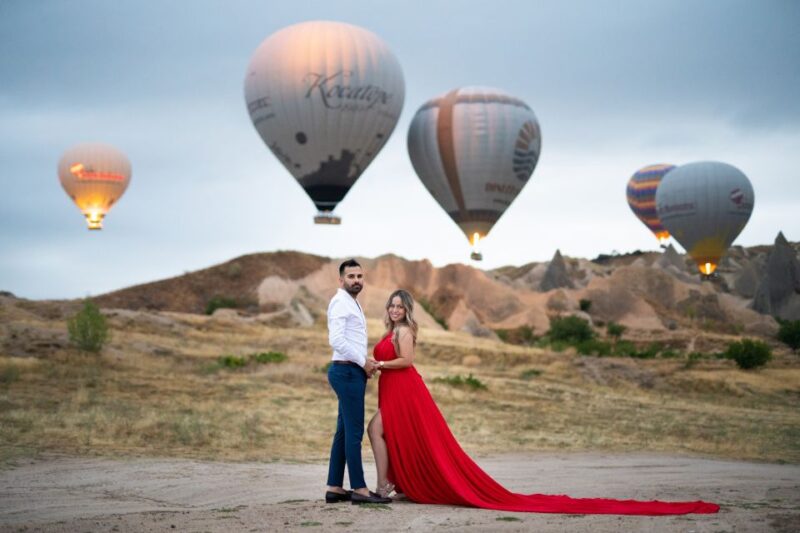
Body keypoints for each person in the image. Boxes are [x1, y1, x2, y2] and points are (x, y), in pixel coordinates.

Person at [366, 289, 720, 515]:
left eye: (400, 305)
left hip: (406, 390)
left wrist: (378, 363)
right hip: (395, 389)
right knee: (385, 432)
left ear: (408, 310)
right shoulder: (388, 331)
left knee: (381, 430)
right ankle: (393, 483)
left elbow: (408, 362)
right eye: (392, 305)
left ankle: (386, 486)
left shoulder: (404, 332)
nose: (395, 309)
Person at [324, 259, 391, 505]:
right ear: (341, 280)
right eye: (351, 276)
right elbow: (337, 341)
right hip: (347, 372)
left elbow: (349, 342)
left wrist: (364, 360)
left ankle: (334, 487)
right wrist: (362, 362)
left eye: (360, 276)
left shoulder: (351, 302)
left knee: (343, 432)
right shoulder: (340, 302)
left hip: (350, 370)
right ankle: (360, 489)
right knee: (353, 432)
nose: (356, 280)